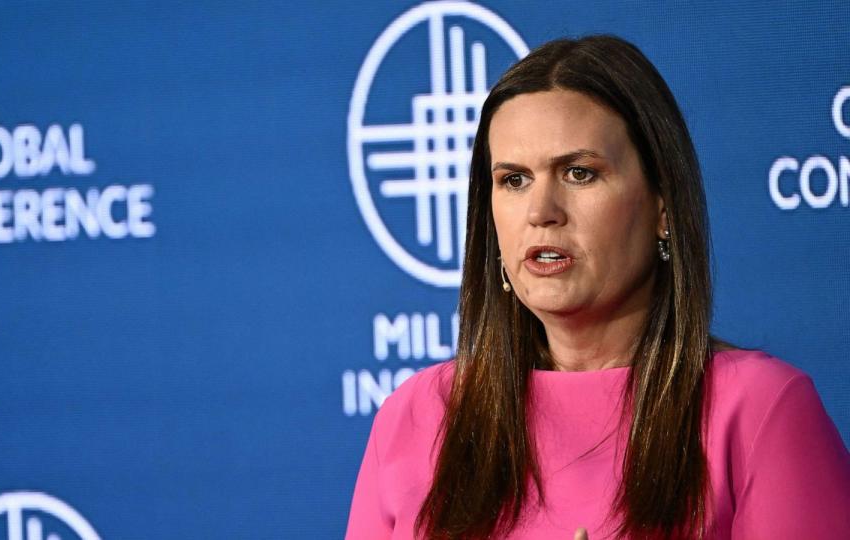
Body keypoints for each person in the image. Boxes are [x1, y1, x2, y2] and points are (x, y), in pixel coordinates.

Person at [345, 35, 850, 540]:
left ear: (663, 207)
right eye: (514, 180)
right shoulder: (414, 417)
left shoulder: (760, 409)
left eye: (579, 173)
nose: (542, 211)